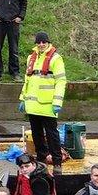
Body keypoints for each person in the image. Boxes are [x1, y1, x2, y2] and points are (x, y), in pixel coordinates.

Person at [19, 32, 66, 174]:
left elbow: (61, 81)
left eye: (43, 42)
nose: (41, 45)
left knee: (52, 135)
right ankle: (41, 161)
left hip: (47, 105)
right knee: (37, 135)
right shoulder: (31, 58)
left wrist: (57, 102)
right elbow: (27, 81)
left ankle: (57, 162)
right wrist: (23, 99)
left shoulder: (56, 59)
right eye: (38, 42)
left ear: (48, 43)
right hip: (33, 106)